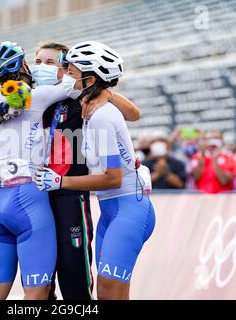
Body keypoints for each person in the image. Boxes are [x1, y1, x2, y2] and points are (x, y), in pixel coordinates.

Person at [35, 41, 155, 300]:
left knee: (107, 293)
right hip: (112, 209)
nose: (67, 75)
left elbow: (113, 178)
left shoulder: (100, 114)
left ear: (89, 79)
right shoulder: (88, 108)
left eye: (71, 71)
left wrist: (60, 181)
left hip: (126, 207)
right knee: (109, 295)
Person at [0, 41, 74, 300]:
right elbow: (76, 84)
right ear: (24, 65)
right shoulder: (37, 97)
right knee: (37, 291)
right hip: (27, 198)